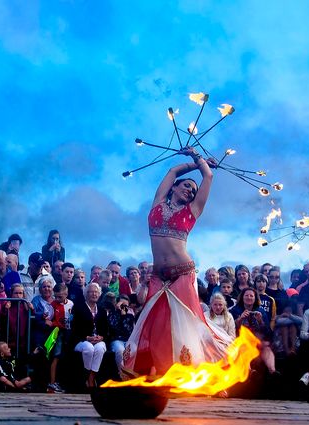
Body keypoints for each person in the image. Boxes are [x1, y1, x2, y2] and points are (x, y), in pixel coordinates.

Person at [123, 147, 232, 377]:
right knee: (157, 325)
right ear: (174, 187)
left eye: (193, 191)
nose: (191, 192)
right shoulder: (157, 205)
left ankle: (201, 373)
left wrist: (200, 161)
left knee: (189, 325)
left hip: (182, 274)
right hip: (158, 276)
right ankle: (161, 373)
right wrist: (193, 160)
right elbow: (173, 171)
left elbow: (208, 177)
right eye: (186, 186)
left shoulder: (192, 211)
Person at [71, 283, 108, 388]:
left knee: (100, 348)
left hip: (98, 341)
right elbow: (74, 329)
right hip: (81, 340)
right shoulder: (78, 308)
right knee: (89, 348)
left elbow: (106, 329)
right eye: (91, 292)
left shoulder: (102, 310)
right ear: (85, 294)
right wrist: (87, 337)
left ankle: (91, 377)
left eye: (96, 292)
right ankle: (87, 377)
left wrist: (101, 337)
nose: (94, 294)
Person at [48, 283, 73, 393]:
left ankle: (64, 382)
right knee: (56, 356)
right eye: (56, 296)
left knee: (66, 357)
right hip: (57, 332)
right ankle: (52, 383)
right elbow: (48, 318)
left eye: (60, 296)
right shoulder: (52, 305)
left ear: (66, 294)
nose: (57, 299)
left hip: (69, 332)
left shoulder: (71, 304)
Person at [107, 294, 136, 378]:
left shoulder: (130, 315)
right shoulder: (112, 313)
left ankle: (129, 372)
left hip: (128, 340)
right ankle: (121, 373)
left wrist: (124, 315)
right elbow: (113, 327)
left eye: (125, 305)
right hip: (116, 339)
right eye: (121, 304)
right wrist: (118, 313)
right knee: (120, 350)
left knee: (134, 350)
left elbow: (128, 330)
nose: (123, 307)